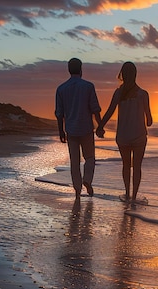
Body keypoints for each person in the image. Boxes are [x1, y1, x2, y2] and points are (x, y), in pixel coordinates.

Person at [96, 62, 152, 204]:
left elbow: (109, 111)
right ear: (135, 74)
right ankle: (134, 197)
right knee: (137, 166)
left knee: (126, 165)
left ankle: (126, 194)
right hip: (139, 136)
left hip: (123, 136)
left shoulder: (118, 93)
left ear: (122, 75)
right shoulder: (143, 94)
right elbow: (149, 120)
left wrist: (100, 126)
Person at [55, 58, 102, 198]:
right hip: (86, 128)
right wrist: (100, 126)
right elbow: (95, 109)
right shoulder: (88, 86)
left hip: (71, 129)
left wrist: (60, 131)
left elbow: (59, 113)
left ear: (69, 70)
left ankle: (77, 190)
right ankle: (87, 180)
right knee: (90, 158)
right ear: (81, 69)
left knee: (74, 161)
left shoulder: (61, 89)